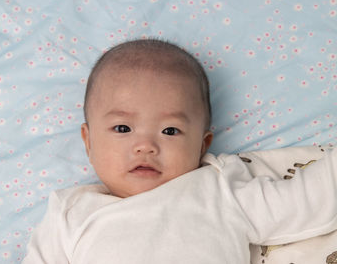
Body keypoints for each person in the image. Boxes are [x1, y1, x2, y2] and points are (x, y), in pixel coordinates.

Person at [22, 39, 337, 264]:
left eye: (169, 131)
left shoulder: (219, 191)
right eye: (122, 128)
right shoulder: (70, 212)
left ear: (202, 144)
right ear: (88, 141)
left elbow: (308, 200)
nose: (145, 146)